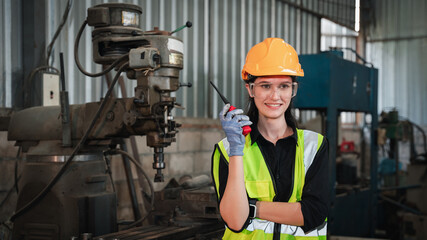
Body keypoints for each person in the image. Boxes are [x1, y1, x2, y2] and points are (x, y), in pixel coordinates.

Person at [211, 38, 329, 239]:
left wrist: (253, 207)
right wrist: (237, 151)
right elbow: (235, 220)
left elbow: (313, 213)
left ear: (293, 89)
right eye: (265, 86)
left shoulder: (314, 145)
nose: (275, 96)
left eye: (283, 86)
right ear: (250, 89)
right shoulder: (226, 150)